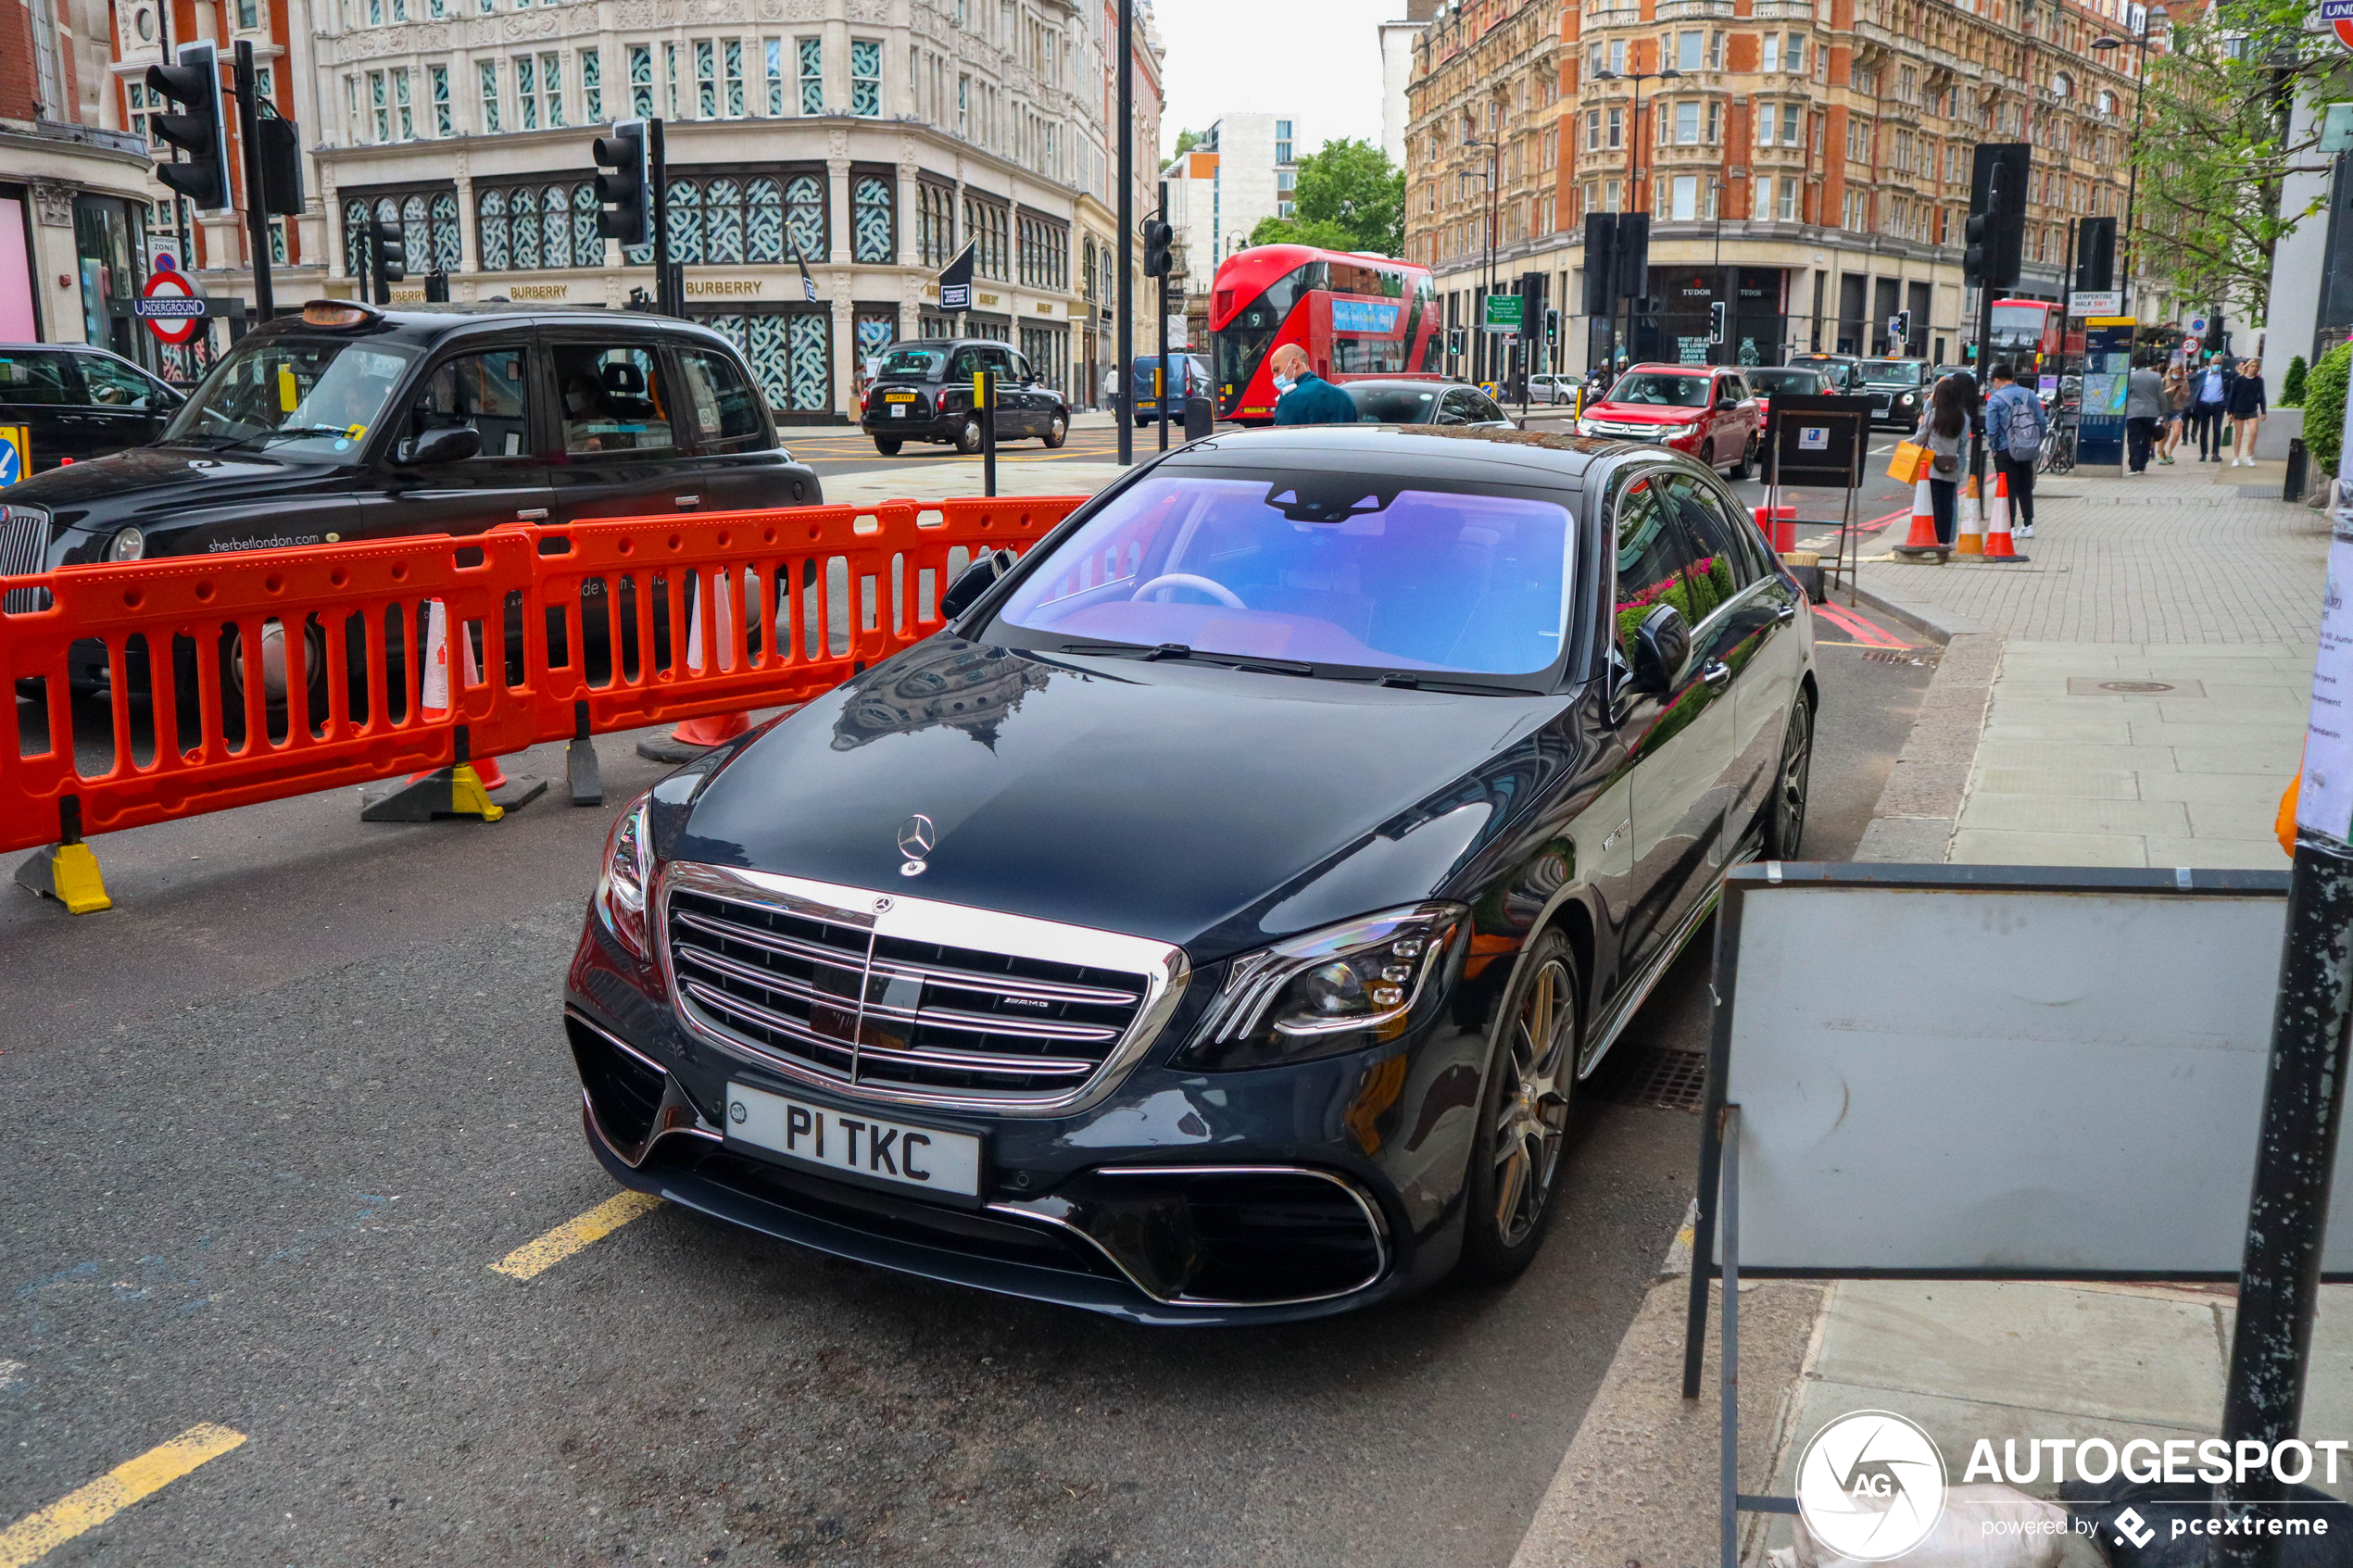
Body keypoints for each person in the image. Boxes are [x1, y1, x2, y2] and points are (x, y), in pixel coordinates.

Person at [1983, 362, 2044, 538]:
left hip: (2005, 449)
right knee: (2025, 486)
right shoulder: (2030, 395)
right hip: (2027, 448)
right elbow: (2041, 422)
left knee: (2007, 488)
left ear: (1997, 380)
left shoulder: (1995, 399)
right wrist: (2035, 441)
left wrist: (1994, 448)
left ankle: (2009, 527)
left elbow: (1992, 429)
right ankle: (2028, 524)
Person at [1914, 372, 1974, 546]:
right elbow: (1962, 443)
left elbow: (1920, 437)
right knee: (1948, 504)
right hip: (1952, 465)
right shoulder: (1962, 418)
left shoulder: (1933, 414)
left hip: (1933, 465)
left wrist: (1917, 429)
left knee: (1934, 503)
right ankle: (1945, 540)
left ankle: (1933, 537)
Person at [1268, 343, 1355, 426]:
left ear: (1294, 363)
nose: (1274, 378)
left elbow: (1283, 439)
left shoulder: (1289, 400)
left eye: (1277, 370)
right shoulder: (1344, 396)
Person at [2123, 356, 2167, 475]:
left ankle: (2134, 466)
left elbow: (2124, 395)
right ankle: (2143, 464)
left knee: (2134, 439)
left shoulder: (2130, 377)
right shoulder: (2156, 377)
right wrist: (2163, 414)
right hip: (2151, 413)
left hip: (2134, 413)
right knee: (2147, 438)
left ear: (2135, 365)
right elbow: (2161, 396)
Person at [2190, 352, 2235, 461]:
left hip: (2218, 405)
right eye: (2215, 363)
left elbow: (2228, 391)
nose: (2217, 365)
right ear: (2210, 363)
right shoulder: (2202, 374)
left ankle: (2215, 453)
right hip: (2204, 405)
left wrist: (2227, 406)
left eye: (2219, 363)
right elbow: (2196, 388)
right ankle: (2203, 453)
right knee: (2204, 429)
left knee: (2216, 429)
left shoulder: (2225, 375)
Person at [2227, 357, 2268, 466]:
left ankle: (2249, 456)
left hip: (2252, 409)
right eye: (2252, 366)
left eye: (2256, 367)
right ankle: (2236, 457)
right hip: (2239, 409)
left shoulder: (2259, 380)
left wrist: (2264, 411)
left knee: (2254, 432)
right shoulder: (2239, 380)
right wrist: (2229, 412)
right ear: (2247, 367)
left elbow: (2262, 396)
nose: (2254, 369)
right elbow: (2232, 396)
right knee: (2239, 434)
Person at [2156, 362, 2190, 464]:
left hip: (2177, 409)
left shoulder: (2184, 381)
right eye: (2176, 372)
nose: (2178, 375)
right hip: (2165, 410)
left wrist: (2182, 393)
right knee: (2164, 433)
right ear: (2171, 371)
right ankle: (2162, 455)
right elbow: (2158, 395)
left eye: (2180, 373)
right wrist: (2168, 391)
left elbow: (2188, 394)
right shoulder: (2164, 381)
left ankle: (2170, 452)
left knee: (2177, 432)